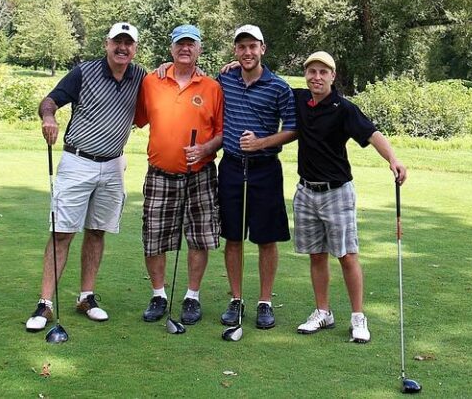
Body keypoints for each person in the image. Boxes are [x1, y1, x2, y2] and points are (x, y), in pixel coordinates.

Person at [25, 22, 146, 332]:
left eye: (128, 43)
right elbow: (50, 100)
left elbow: (172, 78)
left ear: (134, 48)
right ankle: (45, 303)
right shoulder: (84, 72)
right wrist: (49, 117)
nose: (122, 48)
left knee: (96, 232)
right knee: (62, 233)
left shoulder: (140, 77)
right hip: (78, 161)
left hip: (113, 165)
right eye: (117, 42)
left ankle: (86, 297)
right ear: (107, 44)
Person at [293, 51, 407, 342]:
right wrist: (236, 65)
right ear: (306, 75)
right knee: (316, 255)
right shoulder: (300, 100)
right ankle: (323, 312)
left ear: (332, 76)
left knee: (346, 256)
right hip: (306, 191)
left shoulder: (343, 108)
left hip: (337, 193)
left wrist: (393, 159)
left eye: (323, 72)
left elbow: (372, 134)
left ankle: (358, 317)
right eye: (312, 72)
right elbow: (265, 80)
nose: (317, 77)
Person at [134, 24, 224, 325]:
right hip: (160, 174)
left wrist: (205, 148)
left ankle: (192, 297)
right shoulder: (152, 81)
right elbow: (138, 118)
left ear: (199, 49)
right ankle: (159, 295)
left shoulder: (212, 87)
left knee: (199, 238)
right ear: (171, 48)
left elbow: (222, 133)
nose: (185, 48)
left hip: (200, 174)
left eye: (191, 44)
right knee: (154, 236)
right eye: (180, 44)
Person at [217, 25, 297, 330]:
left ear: (263, 48)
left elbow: (292, 129)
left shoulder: (278, 87)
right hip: (232, 167)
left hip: (265, 170)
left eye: (253, 46)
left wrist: (261, 143)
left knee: (266, 239)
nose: (247, 52)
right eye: (242, 47)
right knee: (233, 236)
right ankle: (236, 299)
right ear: (235, 51)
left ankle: (265, 302)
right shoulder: (225, 78)